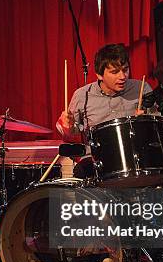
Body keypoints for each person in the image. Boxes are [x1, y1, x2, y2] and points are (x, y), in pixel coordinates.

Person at [56, 43, 155, 177]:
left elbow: (157, 126)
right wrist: (66, 126)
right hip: (98, 159)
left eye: (125, 69)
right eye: (115, 72)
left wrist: (146, 120)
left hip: (135, 155)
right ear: (99, 74)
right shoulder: (82, 95)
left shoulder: (142, 88)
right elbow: (69, 134)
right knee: (81, 171)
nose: (123, 76)